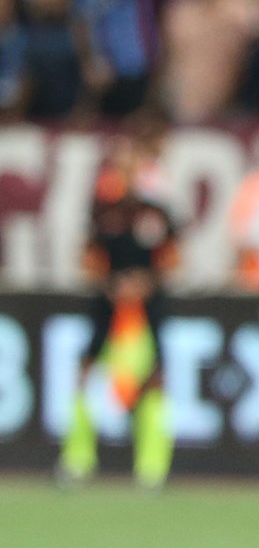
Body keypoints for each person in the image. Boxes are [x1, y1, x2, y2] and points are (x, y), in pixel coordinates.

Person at [59, 133, 177, 489]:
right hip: (107, 309)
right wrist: (111, 284)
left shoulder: (156, 212)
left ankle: (152, 467)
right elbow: (88, 259)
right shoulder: (102, 211)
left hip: (146, 310)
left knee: (153, 380)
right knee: (87, 374)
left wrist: (145, 282)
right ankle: (77, 460)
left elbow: (172, 260)